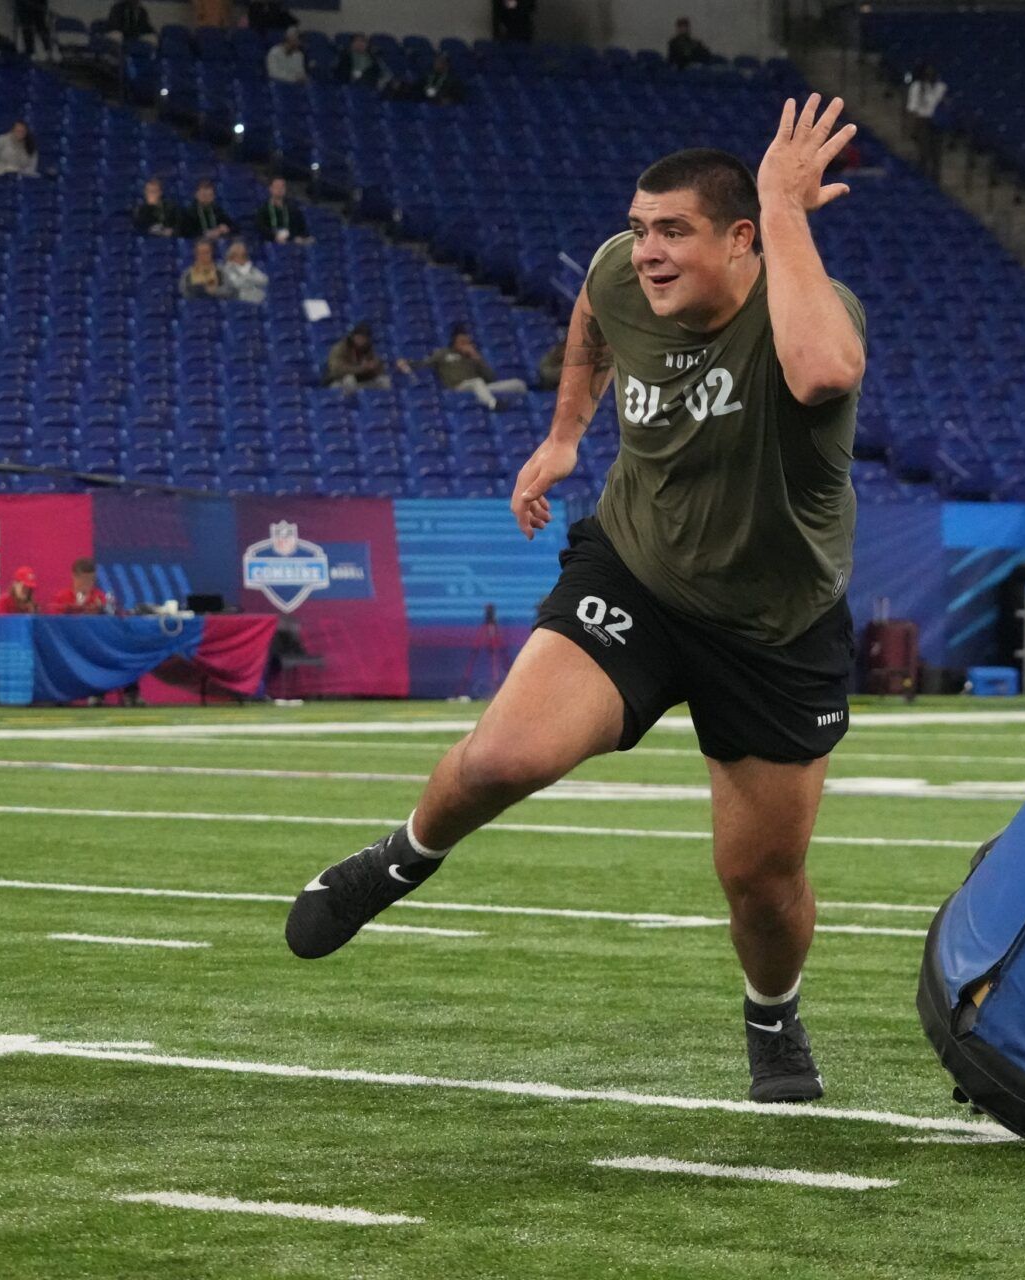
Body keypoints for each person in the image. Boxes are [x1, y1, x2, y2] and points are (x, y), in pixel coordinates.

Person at [285, 97, 870, 1108]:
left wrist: (783, 207)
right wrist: (566, 433)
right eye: (641, 227)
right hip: (636, 575)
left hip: (775, 626)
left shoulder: (807, 307)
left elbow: (824, 372)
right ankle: (401, 855)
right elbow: (595, 319)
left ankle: (771, 1013)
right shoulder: (618, 273)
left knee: (762, 884)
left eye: (673, 231)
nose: (645, 250)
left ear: (742, 240)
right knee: (507, 755)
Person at [418, 324, 528, 410]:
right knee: (476, 382)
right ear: (454, 342)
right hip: (457, 387)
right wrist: (407, 363)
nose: (465, 344)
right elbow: (424, 363)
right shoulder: (443, 353)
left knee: (519, 384)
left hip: (480, 389)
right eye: (462, 342)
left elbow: (491, 377)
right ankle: (493, 404)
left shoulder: (472, 356)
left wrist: (477, 358)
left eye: (467, 342)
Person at [904, 62, 947, 181]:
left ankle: (935, 178)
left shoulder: (941, 87)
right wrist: (913, 126)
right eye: (928, 73)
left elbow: (945, 103)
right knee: (924, 151)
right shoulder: (917, 87)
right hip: (923, 120)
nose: (930, 75)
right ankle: (922, 177)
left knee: (936, 152)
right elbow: (912, 108)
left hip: (938, 121)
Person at [324, 323, 396, 390]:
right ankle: (352, 403)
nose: (361, 340)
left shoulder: (368, 349)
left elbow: (378, 367)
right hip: (339, 381)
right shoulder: (340, 348)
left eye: (364, 338)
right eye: (359, 337)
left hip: (362, 380)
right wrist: (361, 368)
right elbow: (337, 369)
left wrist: (374, 366)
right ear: (353, 336)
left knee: (384, 380)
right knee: (349, 379)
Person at [254, 177, 311, 243]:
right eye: (277, 186)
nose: (280, 189)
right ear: (271, 189)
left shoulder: (293, 209)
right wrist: (275, 236)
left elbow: (301, 228)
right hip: (271, 243)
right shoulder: (263, 209)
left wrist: (298, 238)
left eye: (282, 187)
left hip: (292, 243)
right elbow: (261, 228)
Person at [220, 239, 269, 304]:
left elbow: (264, 280)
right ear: (233, 256)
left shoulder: (250, 267)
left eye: (244, 255)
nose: (243, 257)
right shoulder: (227, 269)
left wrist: (247, 278)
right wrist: (251, 278)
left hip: (259, 298)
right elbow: (236, 284)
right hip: (239, 300)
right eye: (240, 255)